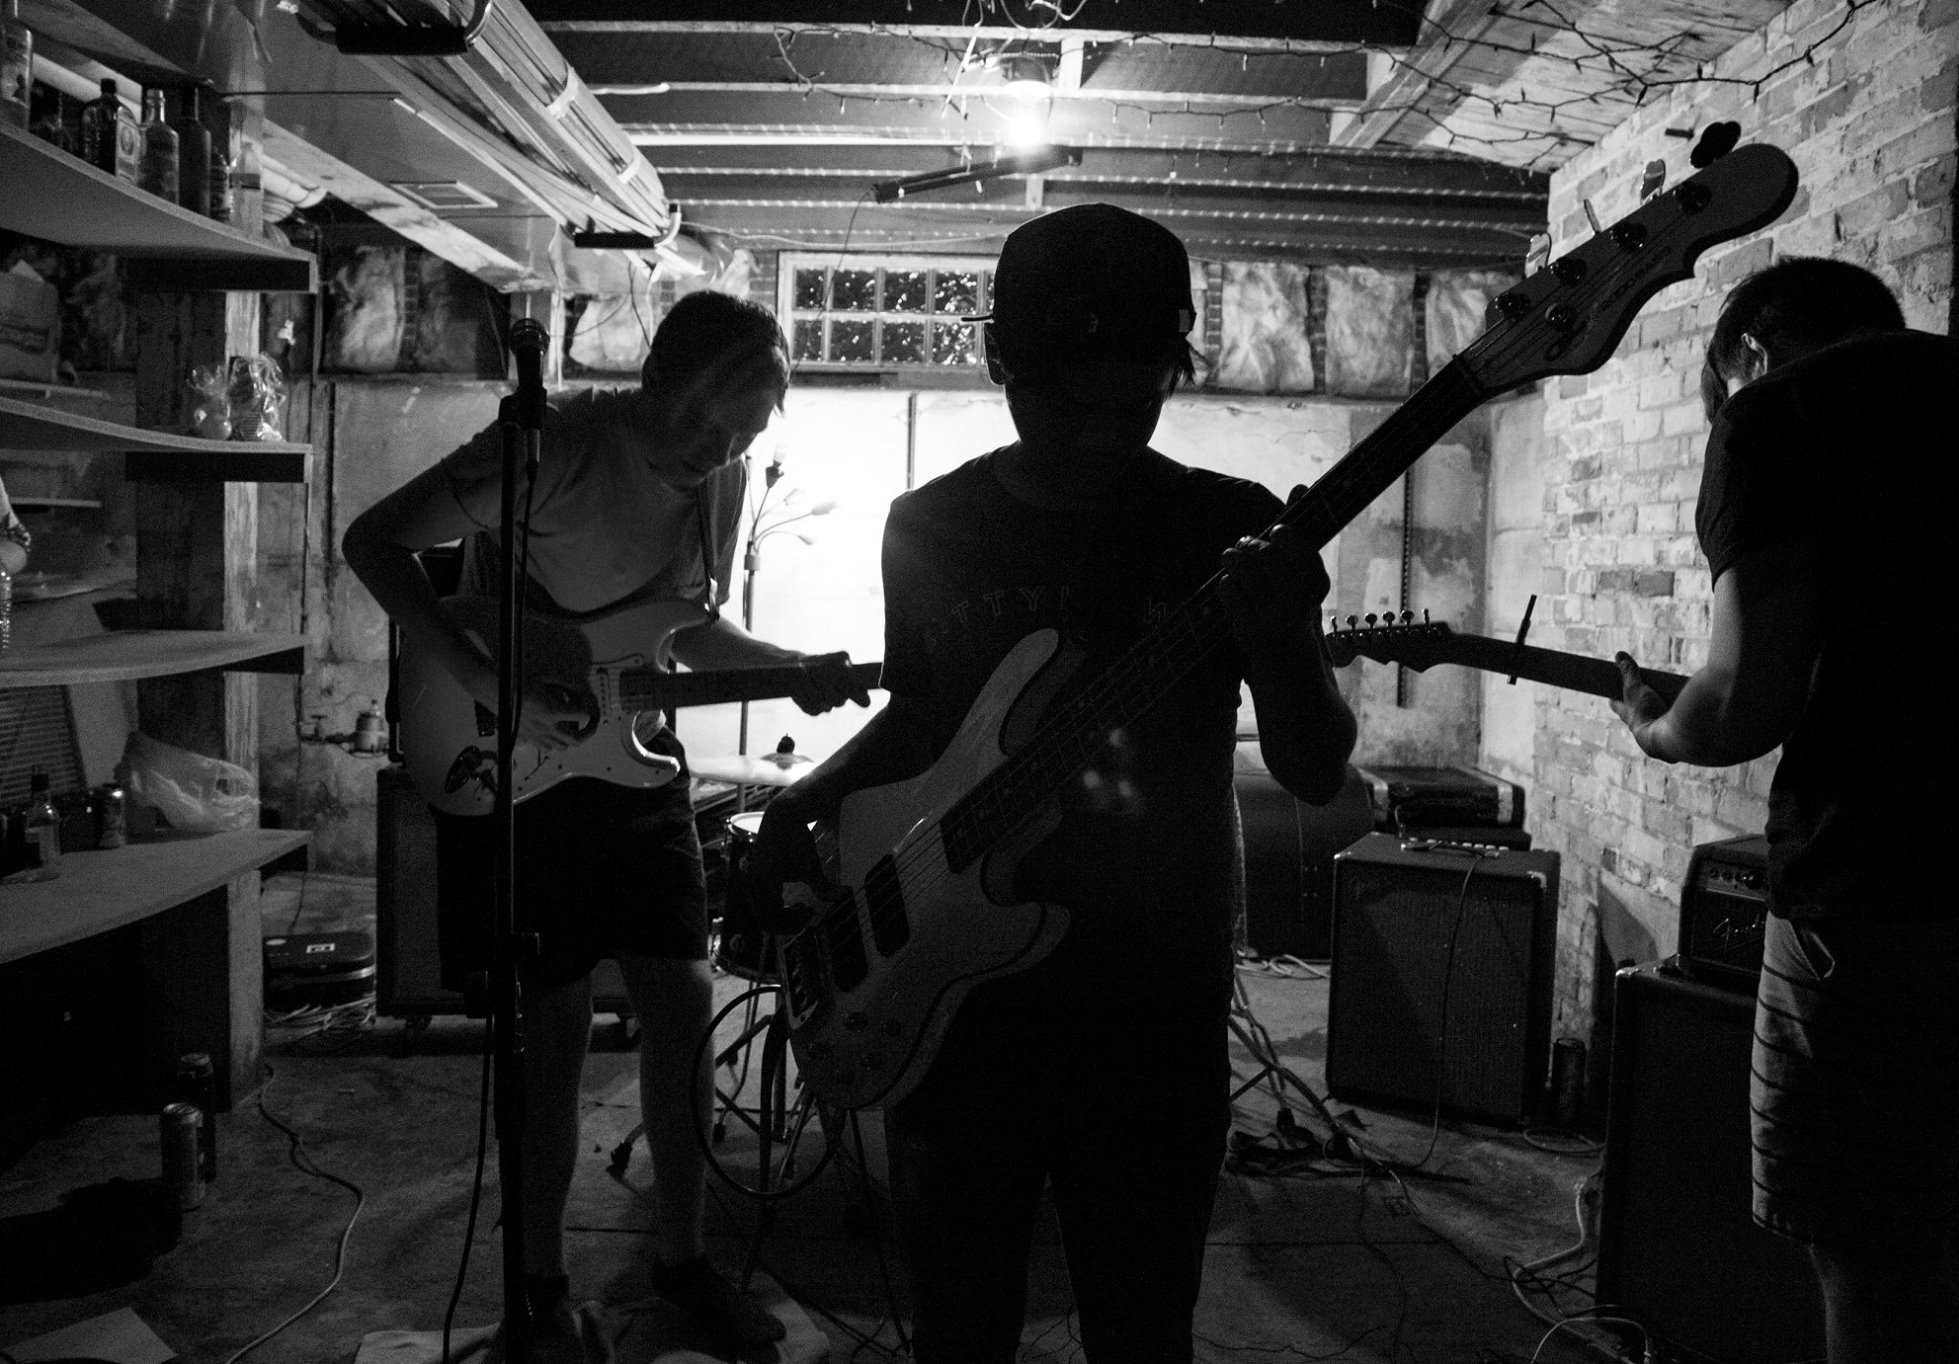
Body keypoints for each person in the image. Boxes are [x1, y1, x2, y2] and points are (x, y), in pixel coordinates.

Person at [752, 203, 1357, 1362]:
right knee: (958, 1325)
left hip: (1152, 999)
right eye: (1066, 403)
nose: (1099, 436)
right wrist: (803, 796)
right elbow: (921, 718)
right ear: (998, 361)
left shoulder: (1227, 525)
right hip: (957, 1000)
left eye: (1137, 402)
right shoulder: (929, 524)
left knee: (1141, 1327)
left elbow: (1313, 764)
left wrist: (1283, 638)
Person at [342, 290, 869, 1361]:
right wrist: (486, 677)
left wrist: (789, 667)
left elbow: (681, 629)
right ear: (655, 381)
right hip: (518, 762)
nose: (717, 448)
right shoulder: (558, 446)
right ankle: (538, 1289)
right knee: (554, 1023)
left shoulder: (721, 483)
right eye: (704, 420)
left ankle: (683, 1261)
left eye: (744, 432)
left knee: (685, 998)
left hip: (635, 766)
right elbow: (373, 543)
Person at [1610, 257, 1959, 1364]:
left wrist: (1655, 727)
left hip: (1877, 893)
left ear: (1750, 353)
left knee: (1866, 1249)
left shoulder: (1778, 414)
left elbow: (1740, 702)